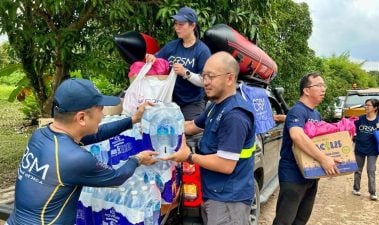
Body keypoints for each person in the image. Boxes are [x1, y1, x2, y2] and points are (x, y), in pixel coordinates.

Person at [6, 78, 159, 225]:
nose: (103, 115)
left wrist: (132, 120)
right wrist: (138, 159)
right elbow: (116, 178)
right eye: (101, 110)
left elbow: (96, 134)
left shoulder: (41, 134)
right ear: (81, 118)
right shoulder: (76, 159)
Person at [163, 51, 256, 225]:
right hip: (213, 192)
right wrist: (161, 127)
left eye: (211, 76)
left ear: (229, 78)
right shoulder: (215, 106)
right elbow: (191, 126)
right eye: (204, 76)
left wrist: (189, 156)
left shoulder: (235, 115)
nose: (205, 81)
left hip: (228, 200)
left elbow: (226, 164)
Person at [272, 72, 341, 225]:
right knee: (284, 220)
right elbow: (297, 135)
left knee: (301, 219)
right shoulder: (297, 110)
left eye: (324, 85)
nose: (323, 89)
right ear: (306, 90)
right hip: (293, 175)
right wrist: (323, 159)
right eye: (319, 85)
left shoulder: (315, 113)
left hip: (310, 175)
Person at [146, 6, 211, 121]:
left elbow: (204, 81)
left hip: (192, 103)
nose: (177, 28)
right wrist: (151, 58)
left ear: (193, 26)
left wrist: (186, 73)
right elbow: (157, 59)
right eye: (176, 24)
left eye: (181, 24)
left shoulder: (202, 50)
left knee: (190, 132)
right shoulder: (172, 46)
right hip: (169, 100)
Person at [352, 98, 379, 201]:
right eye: (365, 105)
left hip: (372, 150)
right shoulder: (360, 119)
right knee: (358, 170)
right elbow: (352, 129)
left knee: (371, 170)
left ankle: (373, 192)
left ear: (375, 108)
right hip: (359, 148)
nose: (366, 107)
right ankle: (356, 188)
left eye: (368, 105)